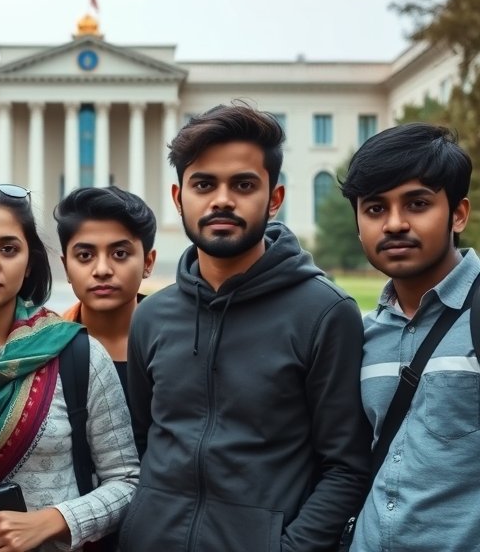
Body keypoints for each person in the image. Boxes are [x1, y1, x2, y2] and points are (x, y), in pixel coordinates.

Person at [118, 103, 372, 552]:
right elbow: (141, 443)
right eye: (203, 184)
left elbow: (346, 467)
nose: (221, 199)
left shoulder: (325, 312)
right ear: (179, 198)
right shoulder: (151, 317)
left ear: (274, 198)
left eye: (243, 184)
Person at [0, 182, 140, 552]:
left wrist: (54, 521)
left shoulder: (77, 354)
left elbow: (127, 481)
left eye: (8, 249)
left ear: (29, 262)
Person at [340, 123, 478, 552]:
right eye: (375, 209)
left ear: (458, 213)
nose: (395, 224)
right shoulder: (364, 334)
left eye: (417, 203)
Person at [54, 185, 157, 392]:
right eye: (85, 255)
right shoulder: (48, 353)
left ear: (148, 262)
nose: (102, 270)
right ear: (66, 267)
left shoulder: (180, 343)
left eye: (120, 254)